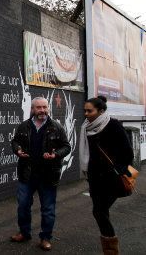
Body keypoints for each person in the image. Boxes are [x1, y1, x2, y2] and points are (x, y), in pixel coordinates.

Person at [10, 97, 71, 251]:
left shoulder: (56, 127)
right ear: (33, 109)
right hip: (27, 174)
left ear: (48, 108)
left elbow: (66, 146)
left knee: (48, 209)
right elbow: (15, 141)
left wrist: (56, 155)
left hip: (48, 175)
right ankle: (24, 233)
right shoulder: (24, 126)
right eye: (39, 107)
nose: (42, 110)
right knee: (23, 206)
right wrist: (17, 150)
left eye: (45, 107)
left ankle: (45, 238)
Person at [79, 96, 134, 255]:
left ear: (101, 111)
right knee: (101, 212)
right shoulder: (86, 127)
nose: (86, 114)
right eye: (85, 110)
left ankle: (111, 251)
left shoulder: (114, 125)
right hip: (95, 179)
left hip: (112, 179)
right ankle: (110, 248)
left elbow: (128, 154)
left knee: (99, 212)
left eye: (90, 111)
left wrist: (117, 170)